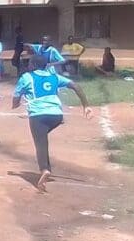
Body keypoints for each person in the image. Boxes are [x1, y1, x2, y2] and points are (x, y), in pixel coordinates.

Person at [13, 53, 93, 191]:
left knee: (40, 143)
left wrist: (15, 104)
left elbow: (16, 96)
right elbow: (75, 86)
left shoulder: (27, 77)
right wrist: (86, 105)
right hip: (56, 116)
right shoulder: (54, 76)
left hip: (39, 115)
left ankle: (45, 170)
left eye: (29, 63)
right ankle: (46, 167)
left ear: (33, 65)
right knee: (42, 136)